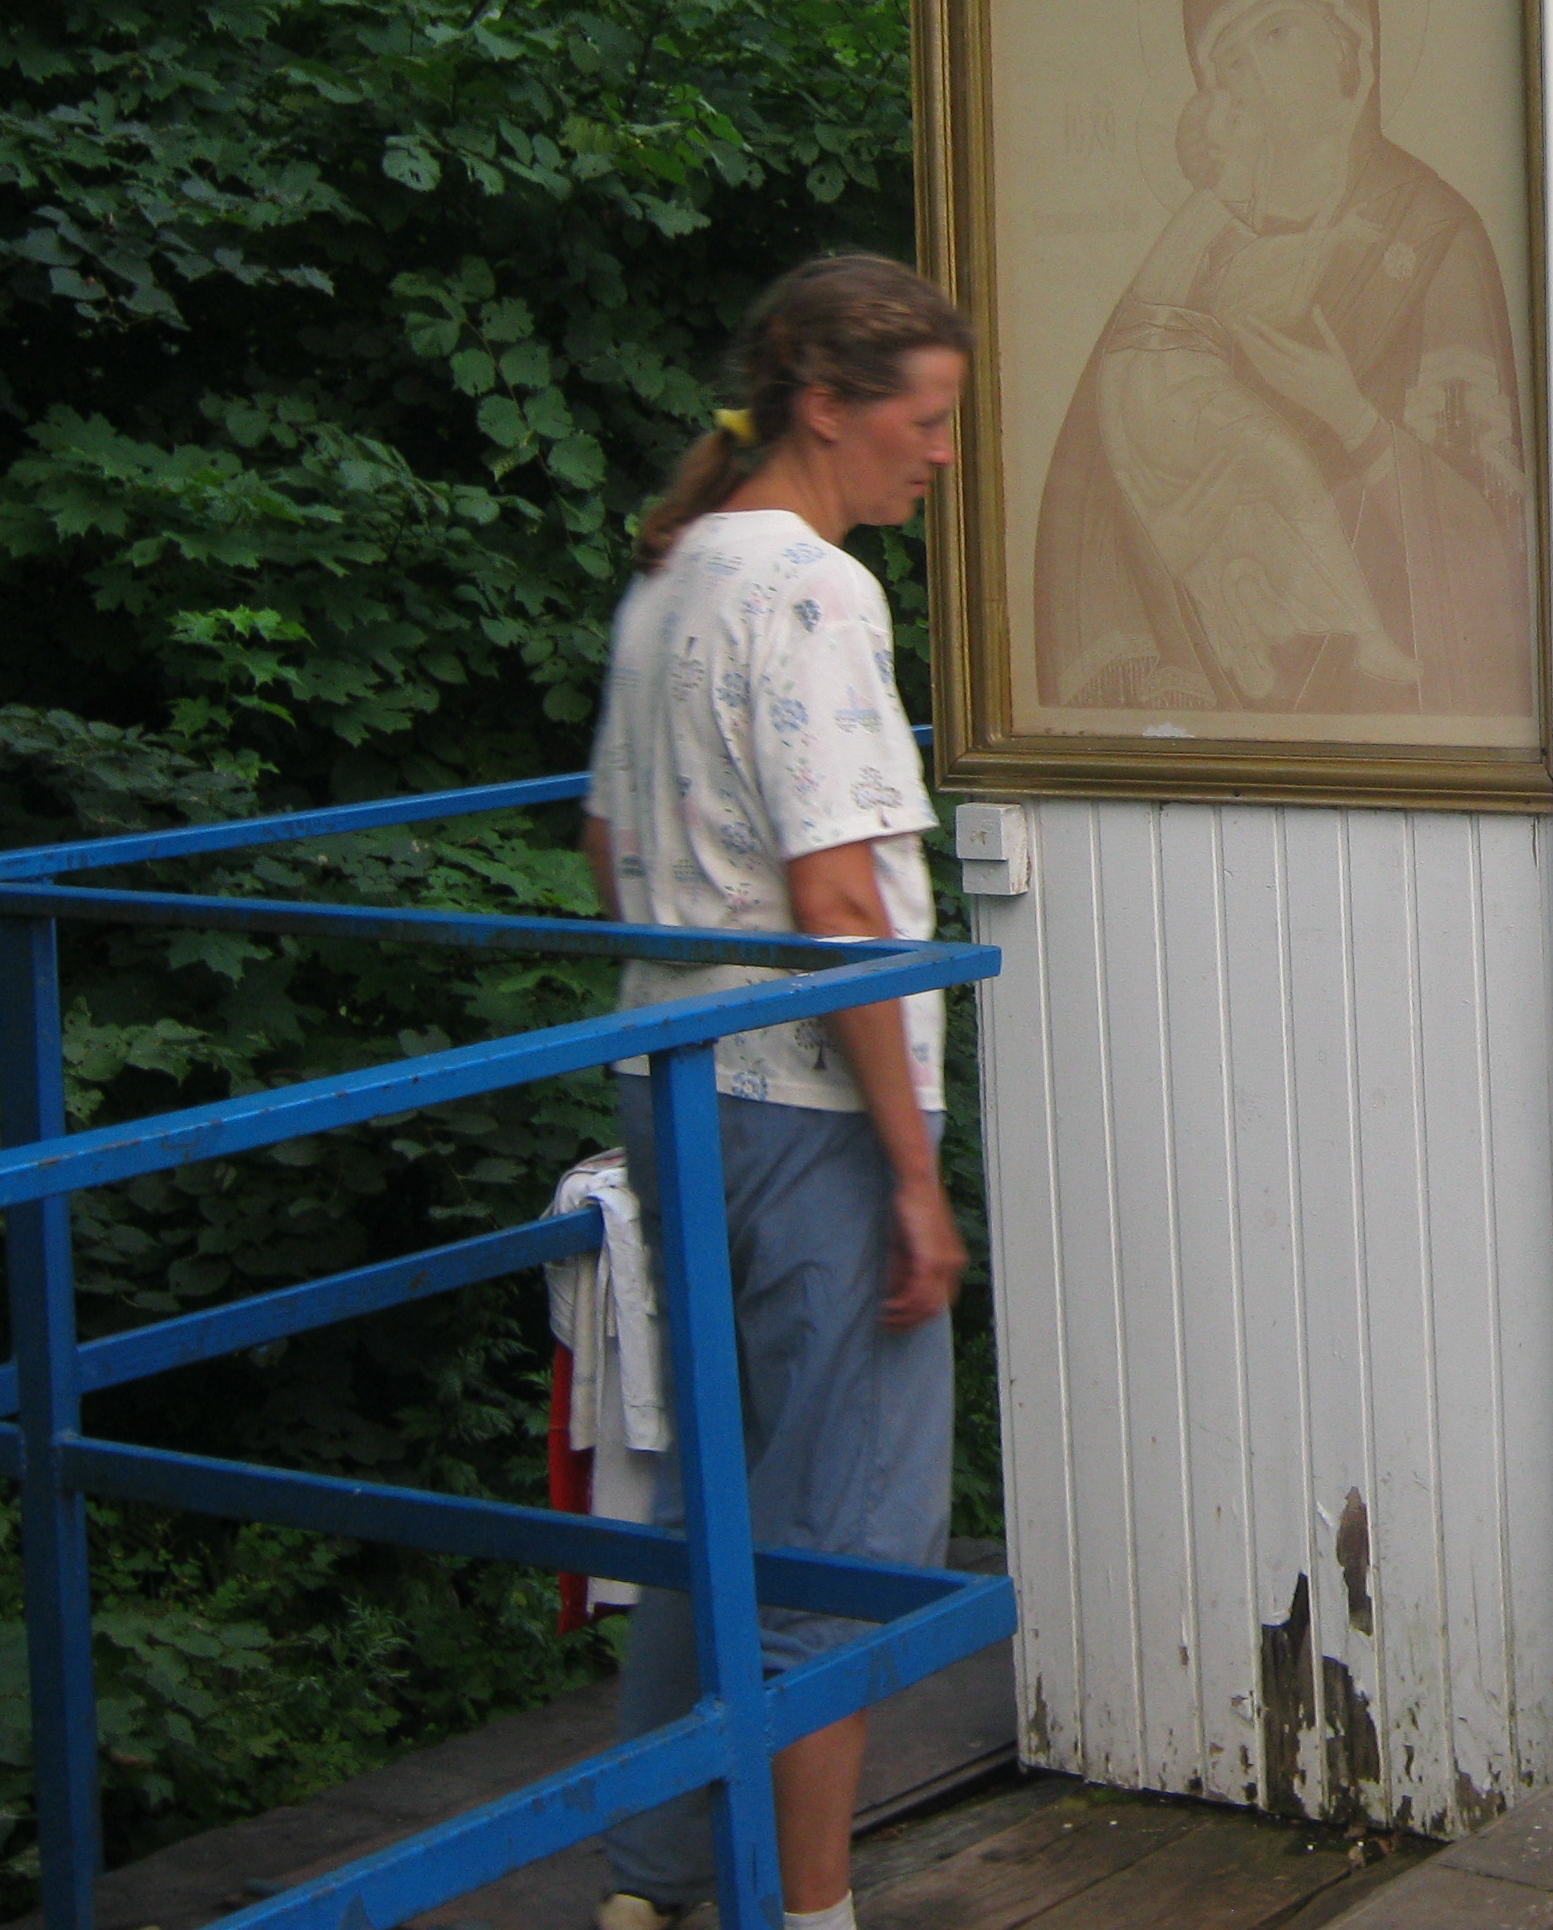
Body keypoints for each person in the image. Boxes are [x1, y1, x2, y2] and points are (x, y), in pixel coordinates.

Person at [580, 253, 974, 1930]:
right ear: (825, 404)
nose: (941, 454)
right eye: (925, 419)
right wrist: (912, 1174)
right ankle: (807, 1915)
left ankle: (655, 1883)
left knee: (717, 1500)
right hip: (810, 1112)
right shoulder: (814, 590)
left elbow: (606, 843)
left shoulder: (671, 572)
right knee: (840, 1532)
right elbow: (837, 897)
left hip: (675, 1085)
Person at [1031, 0, 1536, 720]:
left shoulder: (1433, 237)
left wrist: (1351, 416)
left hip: (1393, 715)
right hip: (1214, 682)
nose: (1254, 73)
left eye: (1276, 33)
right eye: (1228, 61)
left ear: (1350, 46)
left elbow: (1494, 522)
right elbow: (1089, 504)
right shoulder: (1199, 241)